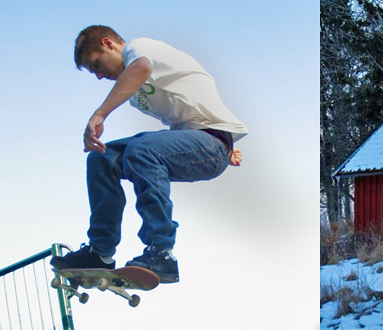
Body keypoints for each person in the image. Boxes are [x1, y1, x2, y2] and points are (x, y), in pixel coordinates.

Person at [50, 25, 248, 283]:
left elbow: (141, 68)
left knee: (140, 151)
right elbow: (187, 109)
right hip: (200, 145)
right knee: (102, 158)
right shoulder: (136, 94)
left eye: (96, 65)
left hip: (212, 142)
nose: (99, 76)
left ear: (109, 44)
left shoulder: (139, 48)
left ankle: (161, 251)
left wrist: (100, 114)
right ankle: (100, 252)